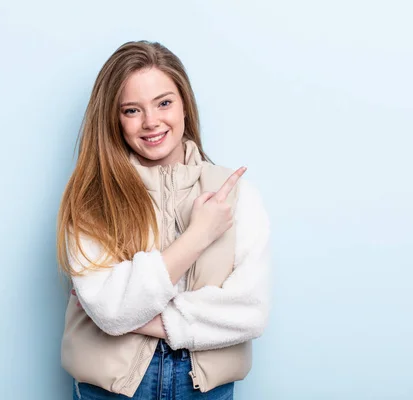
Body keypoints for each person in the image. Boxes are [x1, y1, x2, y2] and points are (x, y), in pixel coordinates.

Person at [57, 40, 271, 399]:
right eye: (131, 110)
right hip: (112, 391)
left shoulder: (235, 195)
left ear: (184, 104)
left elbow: (250, 313)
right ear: (114, 119)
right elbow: (110, 311)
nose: (151, 121)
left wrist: (136, 316)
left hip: (204, 390)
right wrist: (198, 236)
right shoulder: (91, 200)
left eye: (164, 103)